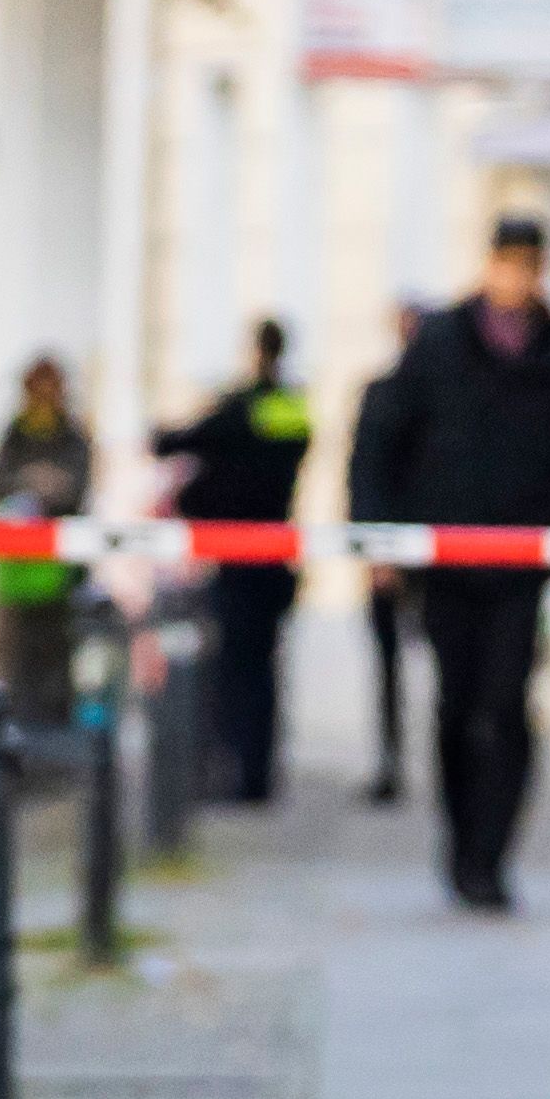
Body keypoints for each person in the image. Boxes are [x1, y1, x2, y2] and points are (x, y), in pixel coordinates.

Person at [347, 215, 550, 911]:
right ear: (490, 266)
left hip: (522, 561)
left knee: (508, 706)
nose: (517, 279)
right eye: (508, 264)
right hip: (447, 558)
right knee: (457, 706)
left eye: (530, 266)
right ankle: (461, 845)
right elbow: (381, 440)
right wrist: (380, 540)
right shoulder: (439, 343)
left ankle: (492, 854)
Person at [159, 315, 313, 805]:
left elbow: (180, 441)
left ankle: (240, 775)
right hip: (275, 555)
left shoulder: (244, 407)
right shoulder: (292, 408)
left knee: (236, 670)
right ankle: (258, 773)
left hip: (240, 556)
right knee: (262, 670)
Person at [0, 355, 94, 729]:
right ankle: (18, 748)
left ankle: (53, 746)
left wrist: (44, 486)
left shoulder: (73, 435)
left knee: (56, 667)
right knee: (15, 667)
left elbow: (77, 492)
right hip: (17, 572)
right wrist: (33, 480)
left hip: (60, 574)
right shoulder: (15, 433)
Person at [348, 300, 427, 803]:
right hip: (393, 547)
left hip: (440, 552)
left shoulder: (444, 400)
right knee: (388, 666)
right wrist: (377, 550)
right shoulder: (384, 394)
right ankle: (391, 759)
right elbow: (364, 475)